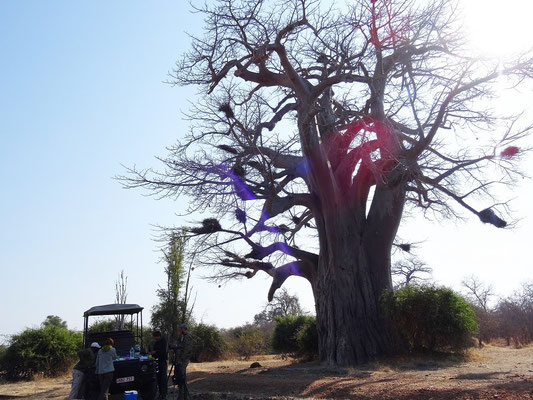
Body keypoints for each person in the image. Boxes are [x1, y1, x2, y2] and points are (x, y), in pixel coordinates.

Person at [173, 323, 193, 400]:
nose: (180, 330)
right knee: (180, 377)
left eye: (181, 329)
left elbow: (187, 350)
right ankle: (182, 396)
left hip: (183, 360)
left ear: (184, 329)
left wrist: (181, 358)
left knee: (182, 378)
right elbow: (179, 346)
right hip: (180, 359)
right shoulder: (182, 337)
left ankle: (183, 396)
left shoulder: (187, 337)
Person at [149, 329, 168, 400]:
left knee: (163, 379)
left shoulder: (164, 341)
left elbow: (164, 352)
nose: (155, 338)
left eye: (155, 337)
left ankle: (164, 395)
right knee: (159, 379)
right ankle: (160, 394)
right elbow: (154, 350)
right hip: (157, 362)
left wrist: (155, 352)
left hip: (163, 362)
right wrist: (151, 354)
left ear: (158, 336)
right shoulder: (156, 342)